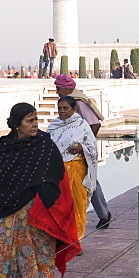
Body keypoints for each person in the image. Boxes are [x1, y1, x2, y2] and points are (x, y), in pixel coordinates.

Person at [0, 103, 80, 278]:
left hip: (37, 216)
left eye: (36, 119)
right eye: (30, 121)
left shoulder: (43, 145)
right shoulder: (6, 148)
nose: (36, 124)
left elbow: (57, 177)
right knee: (0, 265)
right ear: (17, 124)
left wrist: (39, 193)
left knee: (39, 265)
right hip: (7, 216)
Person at [52, 74, 113, 229]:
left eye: (58, 88)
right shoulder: (67, 105)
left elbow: (94, 124)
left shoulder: (78, 102)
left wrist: (85, 145)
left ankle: (102, 215)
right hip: (65, 160)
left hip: (80, 155)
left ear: (66, 88)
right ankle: (102, 215)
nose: (57, 92)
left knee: (90, 183)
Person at [46, 95, 98, 238]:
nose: (62, 111)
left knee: (76, 204)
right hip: (57, 172)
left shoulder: (81, 125)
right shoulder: (53, 126)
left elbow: (93, 147)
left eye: (66, 108)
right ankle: (62, 237)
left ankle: (76, 238)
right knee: (60, 206)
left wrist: (82, 148)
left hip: (77, 169)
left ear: (74, 109)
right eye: (60, 108)